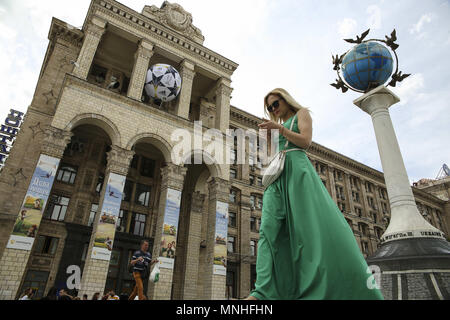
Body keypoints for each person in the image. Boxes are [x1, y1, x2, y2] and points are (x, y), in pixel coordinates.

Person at [245, 88, 384, 300]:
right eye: (270, 107)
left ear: (285, 99)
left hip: (298, 173)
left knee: (305, 231)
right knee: (268, 229)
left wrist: (280, 131)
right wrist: (268, 137)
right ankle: (262, 291)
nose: (274, 109)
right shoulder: (278, 127)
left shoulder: (302, 114)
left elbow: (305, 142)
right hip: (276, 176)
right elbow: (272, 156)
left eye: (276, 103)